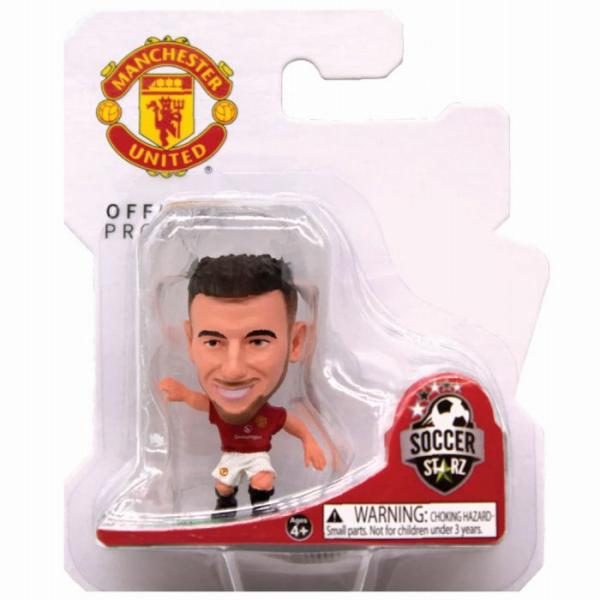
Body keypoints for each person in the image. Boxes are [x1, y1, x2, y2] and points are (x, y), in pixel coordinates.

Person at [160, 254, 326, 518]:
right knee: (223, 485)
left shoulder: (269, 415)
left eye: (258, 342)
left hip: (258, 457)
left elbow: (291, 423)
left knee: (262, 480)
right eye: (213, 342)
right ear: (190, 341)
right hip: (230, 457)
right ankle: (225, 507)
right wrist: (183, 394)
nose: (233, 370)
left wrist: (310, 441)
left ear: (295, 343)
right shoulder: (217, 409)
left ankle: (262, 508)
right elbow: (200, 402)